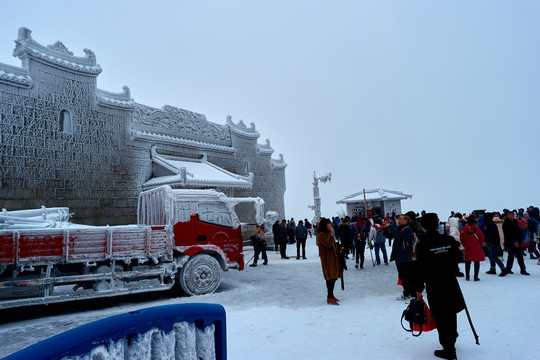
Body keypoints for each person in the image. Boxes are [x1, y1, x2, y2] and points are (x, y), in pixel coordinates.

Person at [415, 213, 465, 360]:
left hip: (434, 285)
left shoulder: (422, 245)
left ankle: (448, 349)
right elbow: (458, 258)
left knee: (441, 316)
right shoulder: (448, 240)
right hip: (450, 282)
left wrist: (418, 287)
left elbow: (420, 268)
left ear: (423, 226)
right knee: (450, 313)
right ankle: (452, 339)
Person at [384, 214, 417, 300]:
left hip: (405, 256)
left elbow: (399, 235)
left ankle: (412, 293)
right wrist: (385, 229)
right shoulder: (399, 228)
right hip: (399, 256)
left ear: (406, 221)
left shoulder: (408, 229)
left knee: (408, 276)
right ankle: (407, 292)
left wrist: (391, 226)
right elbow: (391, 235)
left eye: (401, 219)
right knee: (403, 276)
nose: (399, 220)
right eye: (399, 219)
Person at [317, 217, 342, 305]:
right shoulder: (321, 234)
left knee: (334, 277)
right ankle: (329, 296)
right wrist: (332, 234)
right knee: (330, 278)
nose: (330, 225)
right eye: (328, 224)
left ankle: (331, 295)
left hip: (332, 258)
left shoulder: (326, 234)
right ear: (325, 225)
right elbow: (327, 244)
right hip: (328, 260)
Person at [459, 216, 485, 281]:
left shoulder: (463, 229)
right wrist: (481, 243)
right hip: (476, 247)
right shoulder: (477, 228)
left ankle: (467, 277)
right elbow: (481, 237)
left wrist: (464, 245)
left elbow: (461, 238)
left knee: (467, 262)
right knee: (476, 262)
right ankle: (476, 277)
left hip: (468, 247)